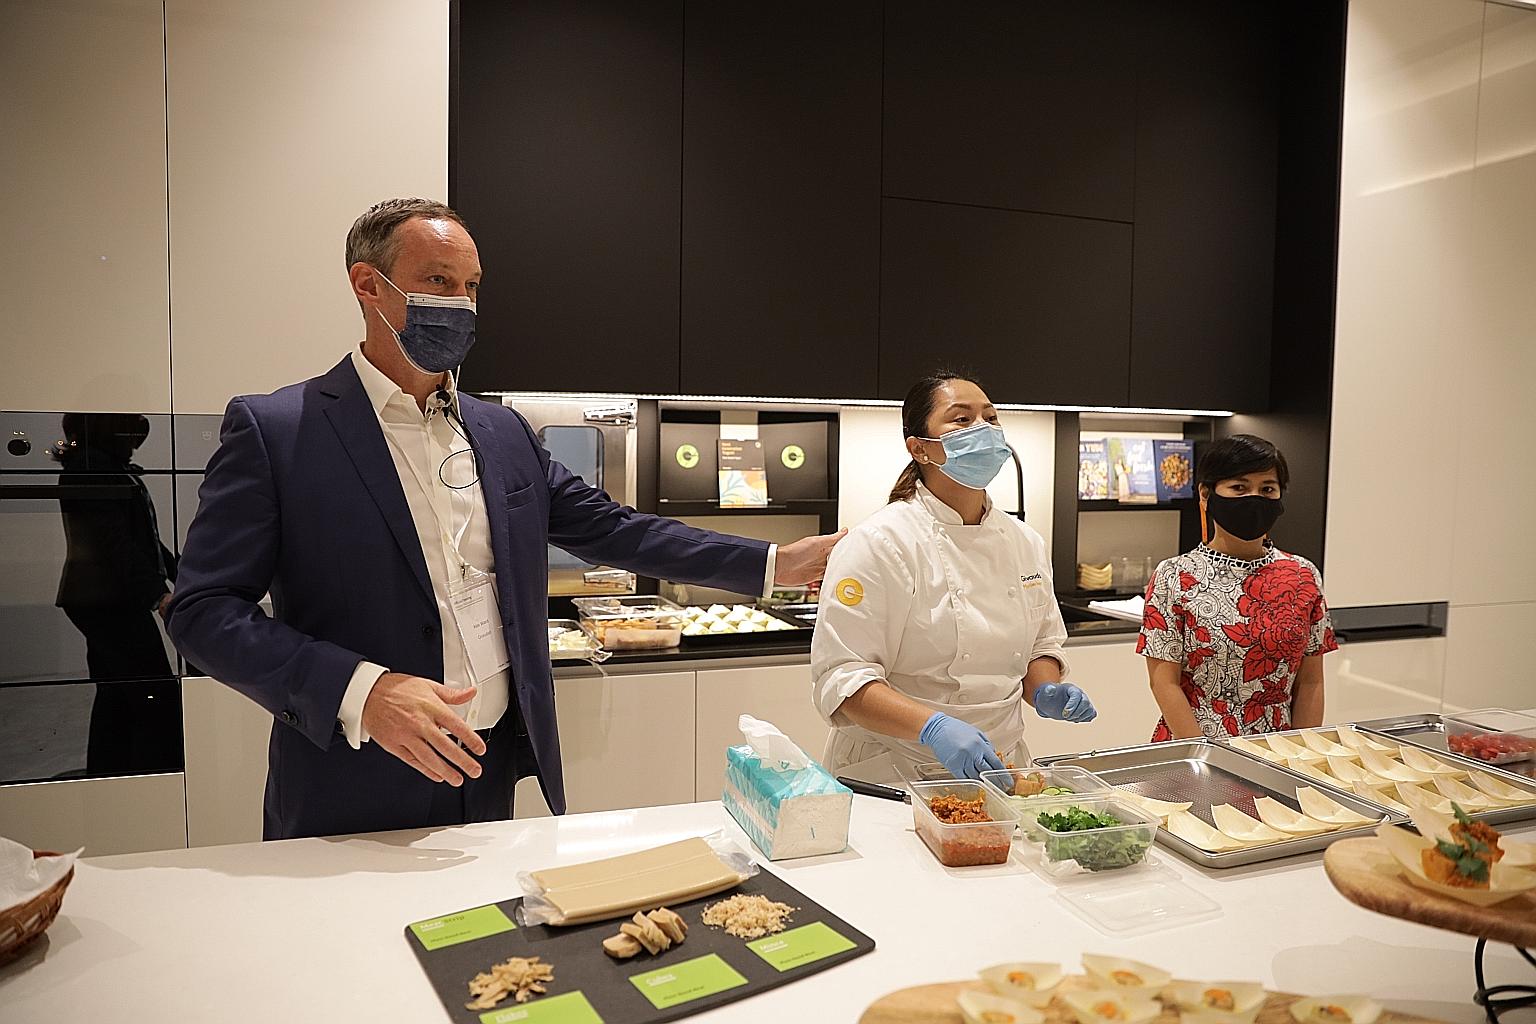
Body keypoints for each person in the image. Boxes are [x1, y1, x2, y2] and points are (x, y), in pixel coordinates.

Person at [167, 198, 843, 840]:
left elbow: (614, 530)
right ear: (368, 286)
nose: (459, 304)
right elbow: (203, 612)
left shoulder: (502, 431)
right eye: (437, 281)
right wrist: (362, 691)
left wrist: (773, 565)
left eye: (471, 286)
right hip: (353, 776)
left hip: (488, 769)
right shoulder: (280, 430)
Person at [811, 372, 1096, 783]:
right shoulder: (880, 543)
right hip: (893, 769)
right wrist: (934, 727)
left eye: (991, 418)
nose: (982, 429)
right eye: (961, 420)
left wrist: (1046, 690)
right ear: (920, 448)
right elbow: (843, 680)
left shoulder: (1024, 541)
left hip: (1002, 764)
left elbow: (1041, 645)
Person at [1138, 434, 1337, 741]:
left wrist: (1302, 751)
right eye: (1239, 487)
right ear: (1206, 494)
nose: (1254, 498)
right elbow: (1164, 683)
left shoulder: (1303, 574)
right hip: (1195, 748)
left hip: (1278, 748)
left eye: (1267, 489)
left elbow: (1311, 682)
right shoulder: (1174, 575)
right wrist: (1206, 753)